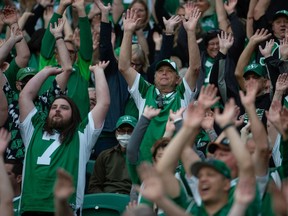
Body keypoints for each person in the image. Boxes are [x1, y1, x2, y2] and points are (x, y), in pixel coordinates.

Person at [18, 61, 110, 214]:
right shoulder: (33, 128)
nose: (57, 110)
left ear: (73, 114)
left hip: (65, 210)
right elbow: (24, 97)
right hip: (31, 207)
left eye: (64, 107)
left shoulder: (81, 135)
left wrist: (98, 71)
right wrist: (45, 72)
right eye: (54, 107)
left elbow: (103, 103)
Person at [118, 7, 201, 162]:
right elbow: (124, 67)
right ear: (154, 77)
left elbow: (195, 68)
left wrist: (190, 31)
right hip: (146, 163)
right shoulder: (144, 90)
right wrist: (128, 32)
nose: (164, 73)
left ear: (177, 79)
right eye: (160, 70)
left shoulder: (183, 92)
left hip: (176, 163)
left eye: (169, 71)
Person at [88, 115, 137, 194]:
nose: (126, 134)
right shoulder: (105, 155)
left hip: (131, 200)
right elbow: (94, 186)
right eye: (122, 131)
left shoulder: (142, 157)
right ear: (116, 133)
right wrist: (105, 199)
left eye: (130, 131)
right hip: (106, 199)